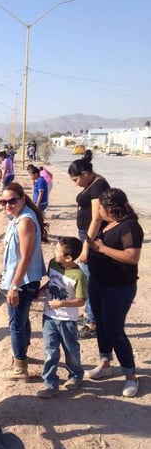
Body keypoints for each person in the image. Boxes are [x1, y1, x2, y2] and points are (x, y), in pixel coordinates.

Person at [85, 189, 143, 398]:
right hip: (98, 283)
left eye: (100, 206)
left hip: (118, 288)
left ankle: (130, 376)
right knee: (100, 324)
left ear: (110, 208)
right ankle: (105, 363)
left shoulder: (129, 226)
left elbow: (132, 257)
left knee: (114, 330)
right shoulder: (107, 223)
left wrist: (101, 250)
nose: (98, 210)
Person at [0, 183, 47, 381]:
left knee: (16, 324)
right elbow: (15, 253)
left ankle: (20, 368)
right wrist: (5, 270)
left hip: (22, 282)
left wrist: (14, 285)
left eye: (12, 201)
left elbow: (25, 258)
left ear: (22, 199)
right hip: (18, 278)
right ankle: (22, 353)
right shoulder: (16, 218)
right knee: (22, 319)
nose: (7, 205)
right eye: (3, 202)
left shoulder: (25, 221)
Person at [36, 237, 87, 398]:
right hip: (49, 317)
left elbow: (81, 300)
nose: (54, 252)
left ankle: (75, 376)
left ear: (68, 258)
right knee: (50, 351)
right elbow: (51, 282)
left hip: (67, 320)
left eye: (57, 251)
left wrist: (61, 304)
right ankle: (50, 384)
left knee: (71, 350)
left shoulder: (78, 275)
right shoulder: (53, 264)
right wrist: (43, 289)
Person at [68, 150, 110, 339]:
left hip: (93, 238)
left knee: (90, 279)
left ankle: (93, 323)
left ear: (85, 174)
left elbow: (97, 219)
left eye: (76, 180)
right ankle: (88, 315)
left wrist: (86, 245)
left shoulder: (98, 186)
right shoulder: (94, 181)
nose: (75, 184)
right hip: (86, 235)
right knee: (87, 277)